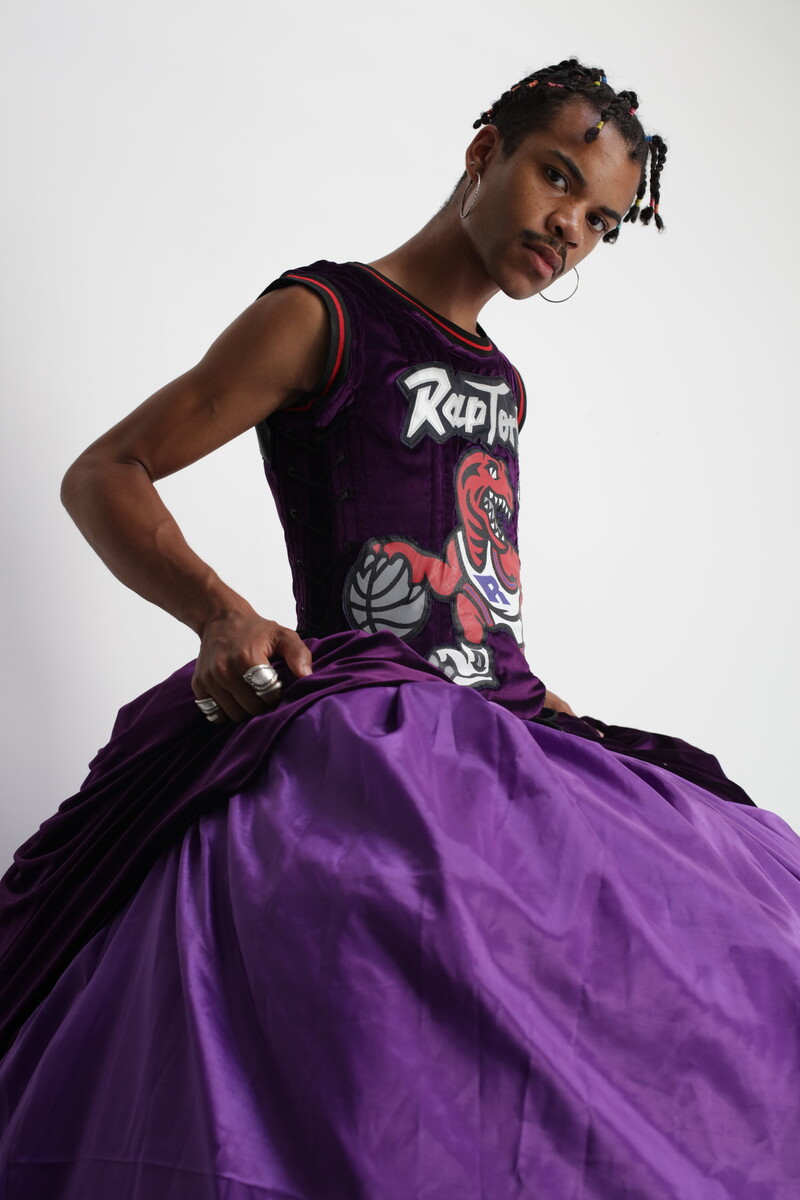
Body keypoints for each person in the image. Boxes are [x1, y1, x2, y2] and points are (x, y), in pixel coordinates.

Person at [1, 57, 798, 1199]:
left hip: (501, 719)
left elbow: (472, 583)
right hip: (371, 714)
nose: (567, 227)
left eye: (599, 220)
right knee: (411, 962)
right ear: (484, 151)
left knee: (739, 898)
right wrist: (223, 615)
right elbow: (103, 473)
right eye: (554, 178)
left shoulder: (506, 383)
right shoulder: (326, 315)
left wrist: (542, 698)